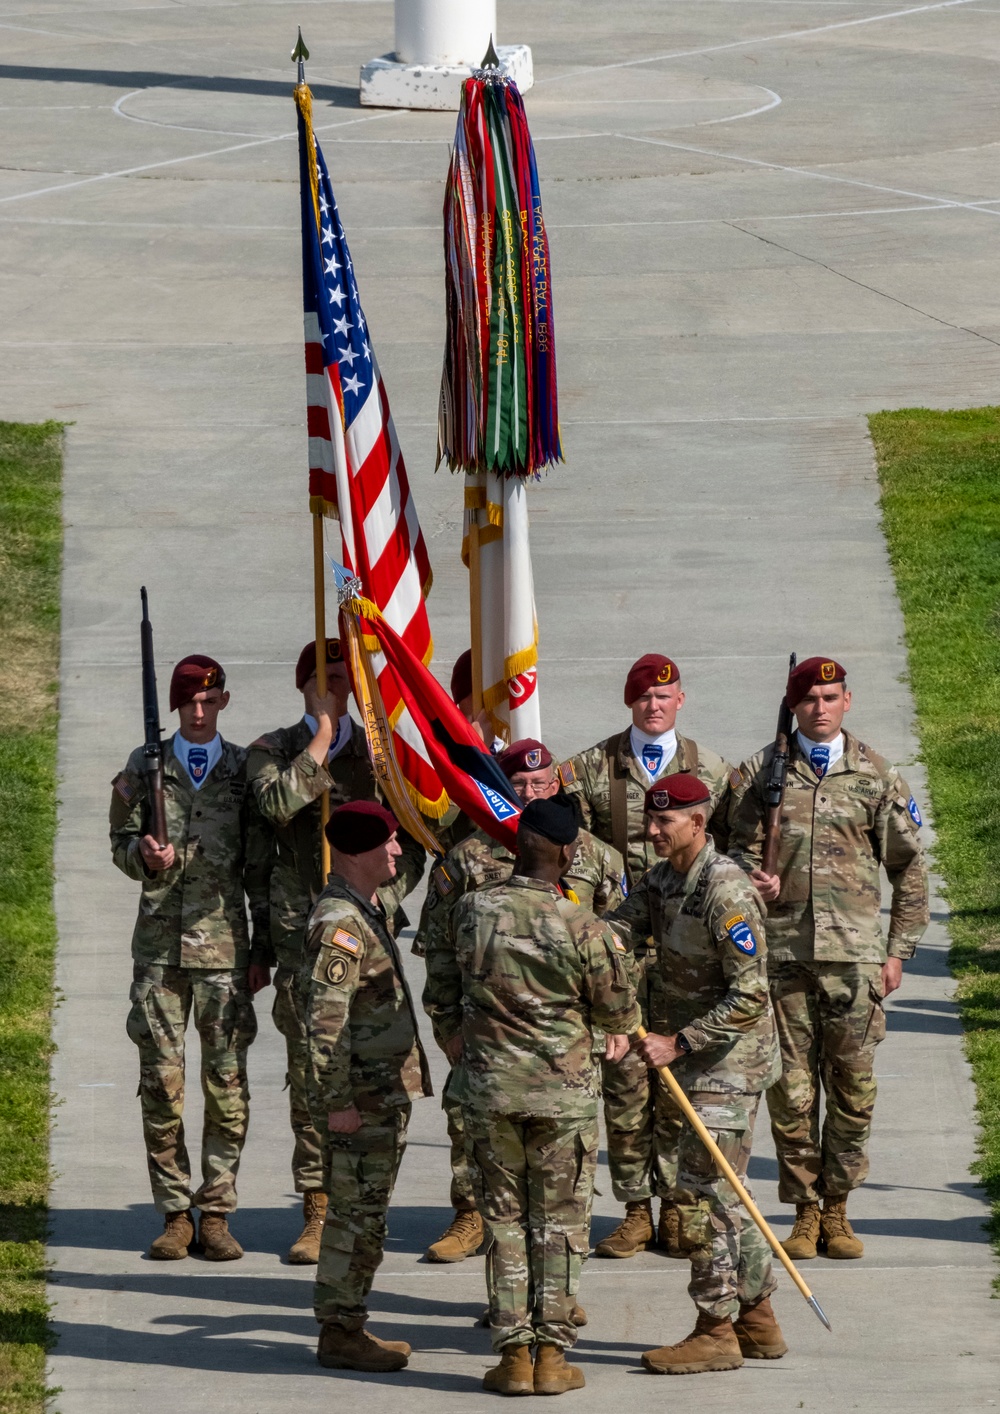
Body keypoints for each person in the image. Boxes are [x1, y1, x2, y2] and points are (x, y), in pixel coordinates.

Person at [728, 656, 929, 1260]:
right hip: (781, 955)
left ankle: (839, 1207)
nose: (820, 707)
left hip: (855, 959)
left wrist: (898, 952)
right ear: (794, 705)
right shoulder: (759, 773)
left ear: (848, 700)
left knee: (852, 1088)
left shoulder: (876, 774)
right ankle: (806, 1211)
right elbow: (726, 850)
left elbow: (908, 867)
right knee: (790, 1093)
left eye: (831, 696)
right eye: (810, 698)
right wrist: (749, 878)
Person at [442, 796, 640, 1396]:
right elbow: (618, 1011)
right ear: (569, 852)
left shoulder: (473, 910)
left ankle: (511, 1358)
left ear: (519, 847)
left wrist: (461, 1037)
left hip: (489, 1091)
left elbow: (443, 984)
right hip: (563, 1097)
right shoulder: (585, 925)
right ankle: (551, 1356)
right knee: (559, 1223)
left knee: (503, 1221)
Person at [246, 638, 424, 1264]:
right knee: (312, 1071)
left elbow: (417, 833)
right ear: (304, 686)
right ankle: (317, 1207)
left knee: (378, 1063)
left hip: (367, 932)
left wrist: (380, 893)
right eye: (325, 680)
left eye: (346, 678)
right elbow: (274, 806)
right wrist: (321, 736)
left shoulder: (380, 751)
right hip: (302, 938)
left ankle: (367, 1205)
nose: (340, 688)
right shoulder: (273, 750)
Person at [419, 739, 626, 1267]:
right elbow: (438, 951)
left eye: (542, 784)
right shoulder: (465, 858)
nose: (532, 792)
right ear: (500, 787)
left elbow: (622, 940)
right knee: (474, 1135)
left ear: (557, 787)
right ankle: (469, 1216)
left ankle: (553, 1287)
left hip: (563, 1047)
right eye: (520, 784)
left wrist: (605, 1034)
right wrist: (447, 1028)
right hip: (487, 1037)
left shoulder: (594, 855)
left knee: (560, 1169)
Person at [606, 773, 785, 1375]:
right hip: (696, 1062)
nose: (653, 832)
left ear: (698, 824)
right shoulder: (661, 881)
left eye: (666, 822)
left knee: (706, 1195)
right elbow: (616, 935)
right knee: (730, 1190)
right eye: (650, 821)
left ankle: (715, 1330)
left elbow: (751, 995)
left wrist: (679, 1041)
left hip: (727, 1064)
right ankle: (757, 1318)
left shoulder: (725, 890)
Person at [559, 653, 734, 1260]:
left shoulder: (712, 768)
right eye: (642, 698)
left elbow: (729, 849)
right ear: (628, 703)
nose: (653, 706)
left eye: (664, 697)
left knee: (686, 1082)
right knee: (627, 1084)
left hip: (692, 955)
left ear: (680, 700)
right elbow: (567, 846)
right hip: (623, 954)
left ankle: (681, 1210)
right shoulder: (588, 768)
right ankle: (635, 1209)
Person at [110, 654, 269, 1261]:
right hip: (159, 952)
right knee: (162, 1083)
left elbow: (258, 867)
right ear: (175, 708)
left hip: (227, 951)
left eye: (209, 702)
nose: (199, 714)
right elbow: (119, 839)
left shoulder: (242, 771)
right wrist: (141, 859)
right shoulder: (144, 764)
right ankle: (176, 1213)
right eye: (188, 705)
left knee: (227, 1085)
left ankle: (219, 1210)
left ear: (224, 701)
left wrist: (261, 953)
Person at [305, 801, 433, 1372]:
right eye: (389, 842)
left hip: (380, 1093)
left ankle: (348, 1322)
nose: (398, 851)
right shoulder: (342, 925)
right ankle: (340, 1329)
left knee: (369, 1213)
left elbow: (414, 863)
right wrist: (338, 1105)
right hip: (360, 1097)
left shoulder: (367, 903)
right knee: (354, 1216)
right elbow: (324, 1025)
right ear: (358, 852)